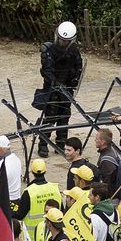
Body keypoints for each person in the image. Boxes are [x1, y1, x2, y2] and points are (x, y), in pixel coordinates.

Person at [38, 22, 83, 156]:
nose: (63, 42)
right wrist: (55, 83)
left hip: (67, 88)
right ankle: (43, 144)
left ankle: (61, 143)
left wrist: (75, 79)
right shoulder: (48, 49)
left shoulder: (73, 49)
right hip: (52, 88)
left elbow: (78, 65)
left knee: (64, 116)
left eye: (66, 41)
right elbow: (46, 70)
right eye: (61, 39)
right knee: (50, 116)